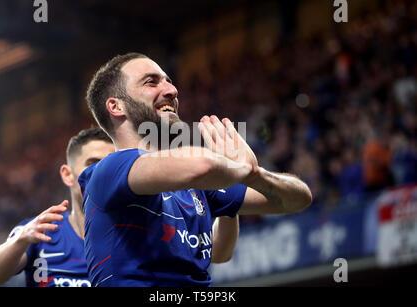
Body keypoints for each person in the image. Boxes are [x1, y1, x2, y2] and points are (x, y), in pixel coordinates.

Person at [80, 52, 312, 286]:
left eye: (168, 80)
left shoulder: (197, 182)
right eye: (151, 82)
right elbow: (202, 166)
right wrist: (238, 168)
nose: (172, 90)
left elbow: (298, 199)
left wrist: (256, 175)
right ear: (115, 105)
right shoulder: (108, 171)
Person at [0, 127, 239, 287]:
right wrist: (20, 240)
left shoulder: (146, 223)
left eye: (109, 164)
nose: (100, 172)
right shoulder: (43, 230)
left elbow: (218, 254)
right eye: (92, 162)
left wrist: (230, 202)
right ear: (68, 174)